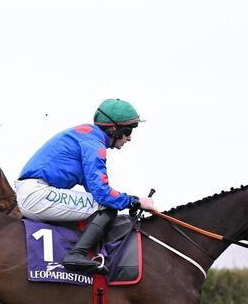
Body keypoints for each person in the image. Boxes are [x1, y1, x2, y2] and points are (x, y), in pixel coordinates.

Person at [15, 98, 158, 272]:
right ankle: (77, 254)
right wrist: (135, 201)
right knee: (107, 207)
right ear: (113, 128)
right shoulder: (93, 144)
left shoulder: (86, 136)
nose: (129, 138)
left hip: (32, 192)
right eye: (128, 131)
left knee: (102, 203)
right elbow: (103, 195)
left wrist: (128, 202)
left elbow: (95, 190)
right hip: (37, 194)